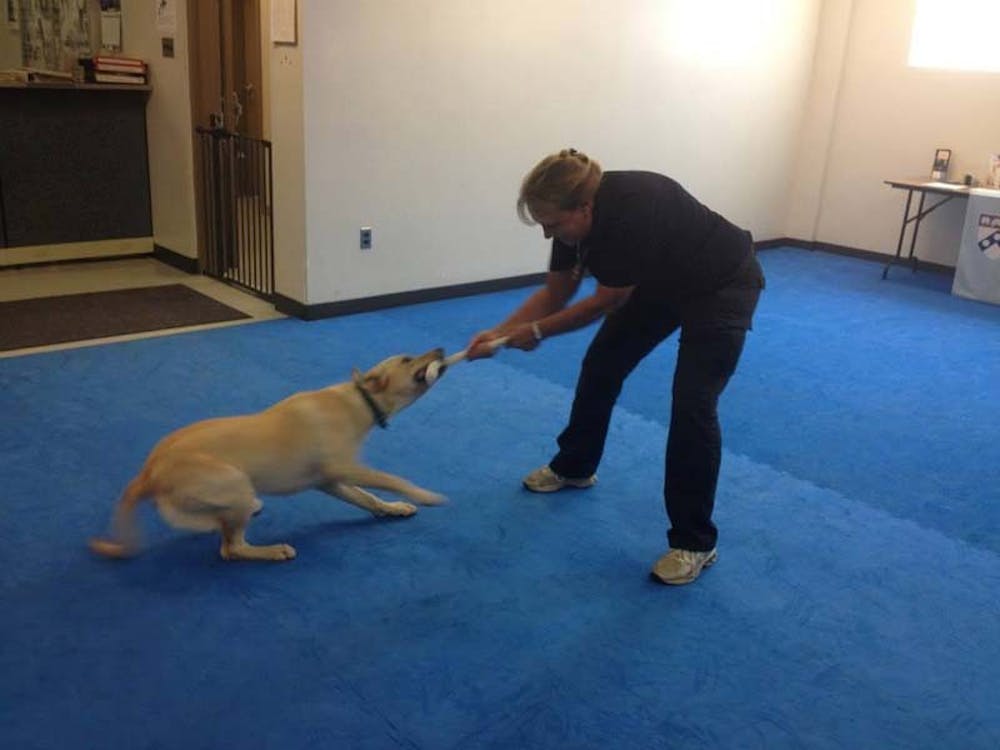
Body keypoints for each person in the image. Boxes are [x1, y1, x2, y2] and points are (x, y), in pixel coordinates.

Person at [465, 148, 765, 585]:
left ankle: (694, 542)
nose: (548, 233)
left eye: (553, 223)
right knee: (602, 364)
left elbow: (603, 302)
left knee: (692, 403)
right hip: (662, 283)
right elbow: (555, 294)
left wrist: (536, 333)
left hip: (722, 283)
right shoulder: (570, 224)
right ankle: (575, 466)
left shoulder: (632, 211)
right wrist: (500, 332)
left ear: (584, 207)